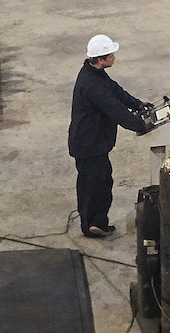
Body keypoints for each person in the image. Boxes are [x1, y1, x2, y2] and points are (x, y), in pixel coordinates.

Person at [68, 34, 148, 238]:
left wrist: (137, 104)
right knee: (93, 185)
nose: (114, 58)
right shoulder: (92, 84)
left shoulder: (95, 73)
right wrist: (140, 124)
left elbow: (116, 92)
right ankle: (92, 225)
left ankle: (96, 222)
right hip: (89, 144)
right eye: (111, 55)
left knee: (101, 182)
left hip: (95, 142)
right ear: (100, 59)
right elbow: (115, 109)